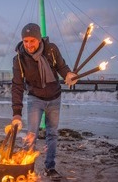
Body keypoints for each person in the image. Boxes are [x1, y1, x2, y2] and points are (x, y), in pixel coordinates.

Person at [11, 23, 77, 181]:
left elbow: (61, 67)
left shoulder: (51, 49)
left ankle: (50, 167)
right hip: (35, 99)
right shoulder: (19, 59)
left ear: (39, 39)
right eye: (25, 41)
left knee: (52, 134)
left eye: (32, 40)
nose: (28, 45)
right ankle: (27, 169)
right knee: (31, 135)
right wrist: (16, 114)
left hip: (54, 98)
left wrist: (68, 75)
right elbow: (17, 86)